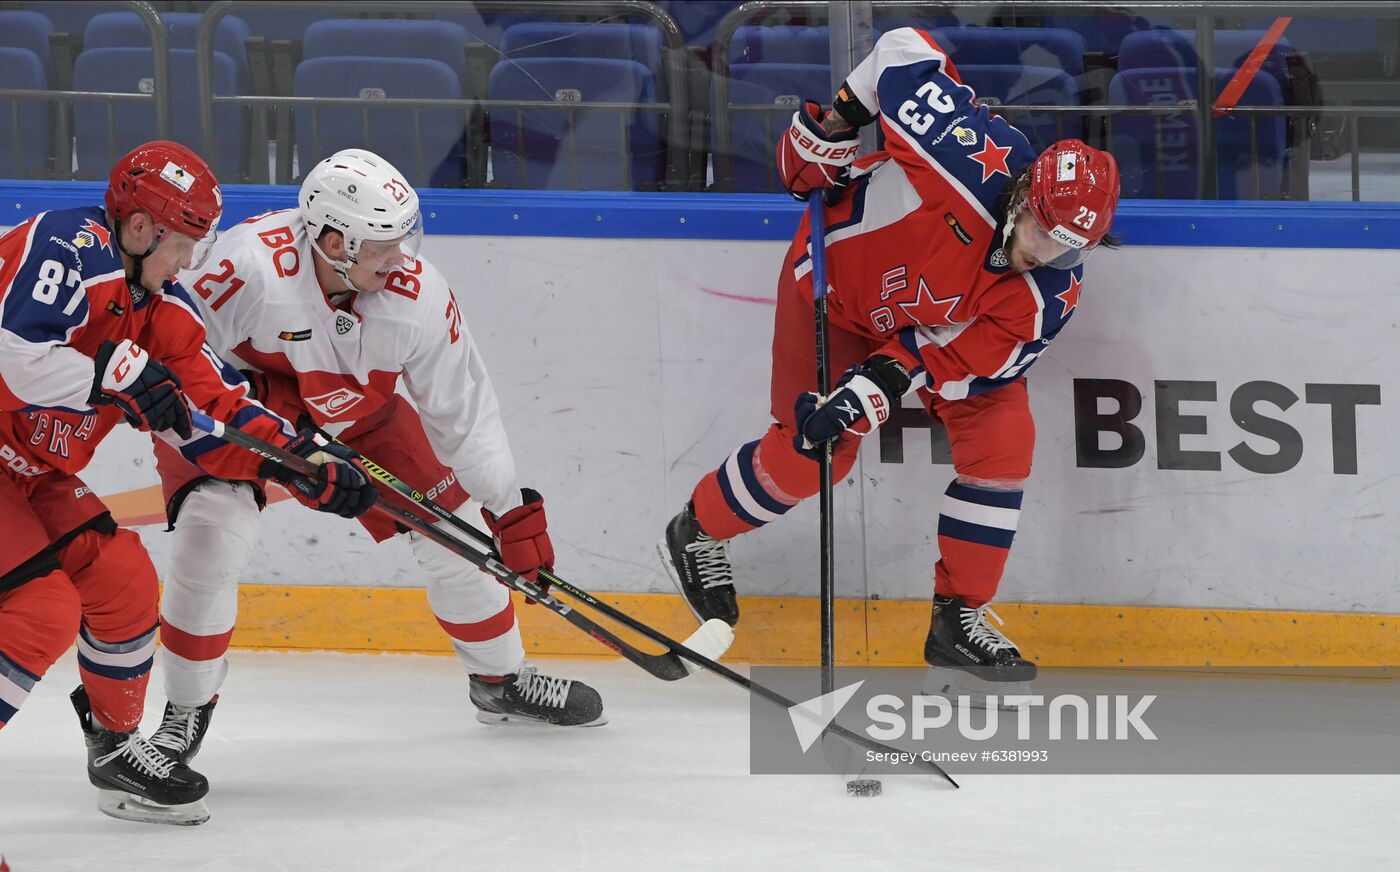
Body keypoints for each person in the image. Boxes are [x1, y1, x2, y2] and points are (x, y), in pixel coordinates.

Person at [659, 28, 1121, 690]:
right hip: (832, 288)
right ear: (1023, 196)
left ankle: (957, 616)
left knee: (1003, 440)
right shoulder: (965, 156)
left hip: (924, 328)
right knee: (815, 452)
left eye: (1069, 249)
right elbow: (903, 49)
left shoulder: (1048, 295)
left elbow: (954, 356)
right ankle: (699, 528)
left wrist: (878, 383)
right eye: (1043, 234)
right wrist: (839, 123)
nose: (1046, 255)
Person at [147, 148, 605, 774]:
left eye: (404, 239)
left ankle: (500, 682)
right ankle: (183, 713)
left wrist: (508, 508)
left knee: (454, 533)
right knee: (211, 543)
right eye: (383, 245)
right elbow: (176, 364)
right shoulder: (243, 267)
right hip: (243, 415)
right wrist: (275, 435)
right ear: (333, 240)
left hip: (361, 411)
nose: (402, 259)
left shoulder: (417, 294)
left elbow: (462, 407)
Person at [0, 141, 377, 825]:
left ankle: (115, 752)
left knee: (125, 584)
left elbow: (216, 416)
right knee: (42, 611)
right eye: (184, 245)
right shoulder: (66, 244)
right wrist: (109, 375)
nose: (189, 264)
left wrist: (298, 463)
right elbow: (15, 355)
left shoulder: (165, 310)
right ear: (140, 229)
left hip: (33, 475)